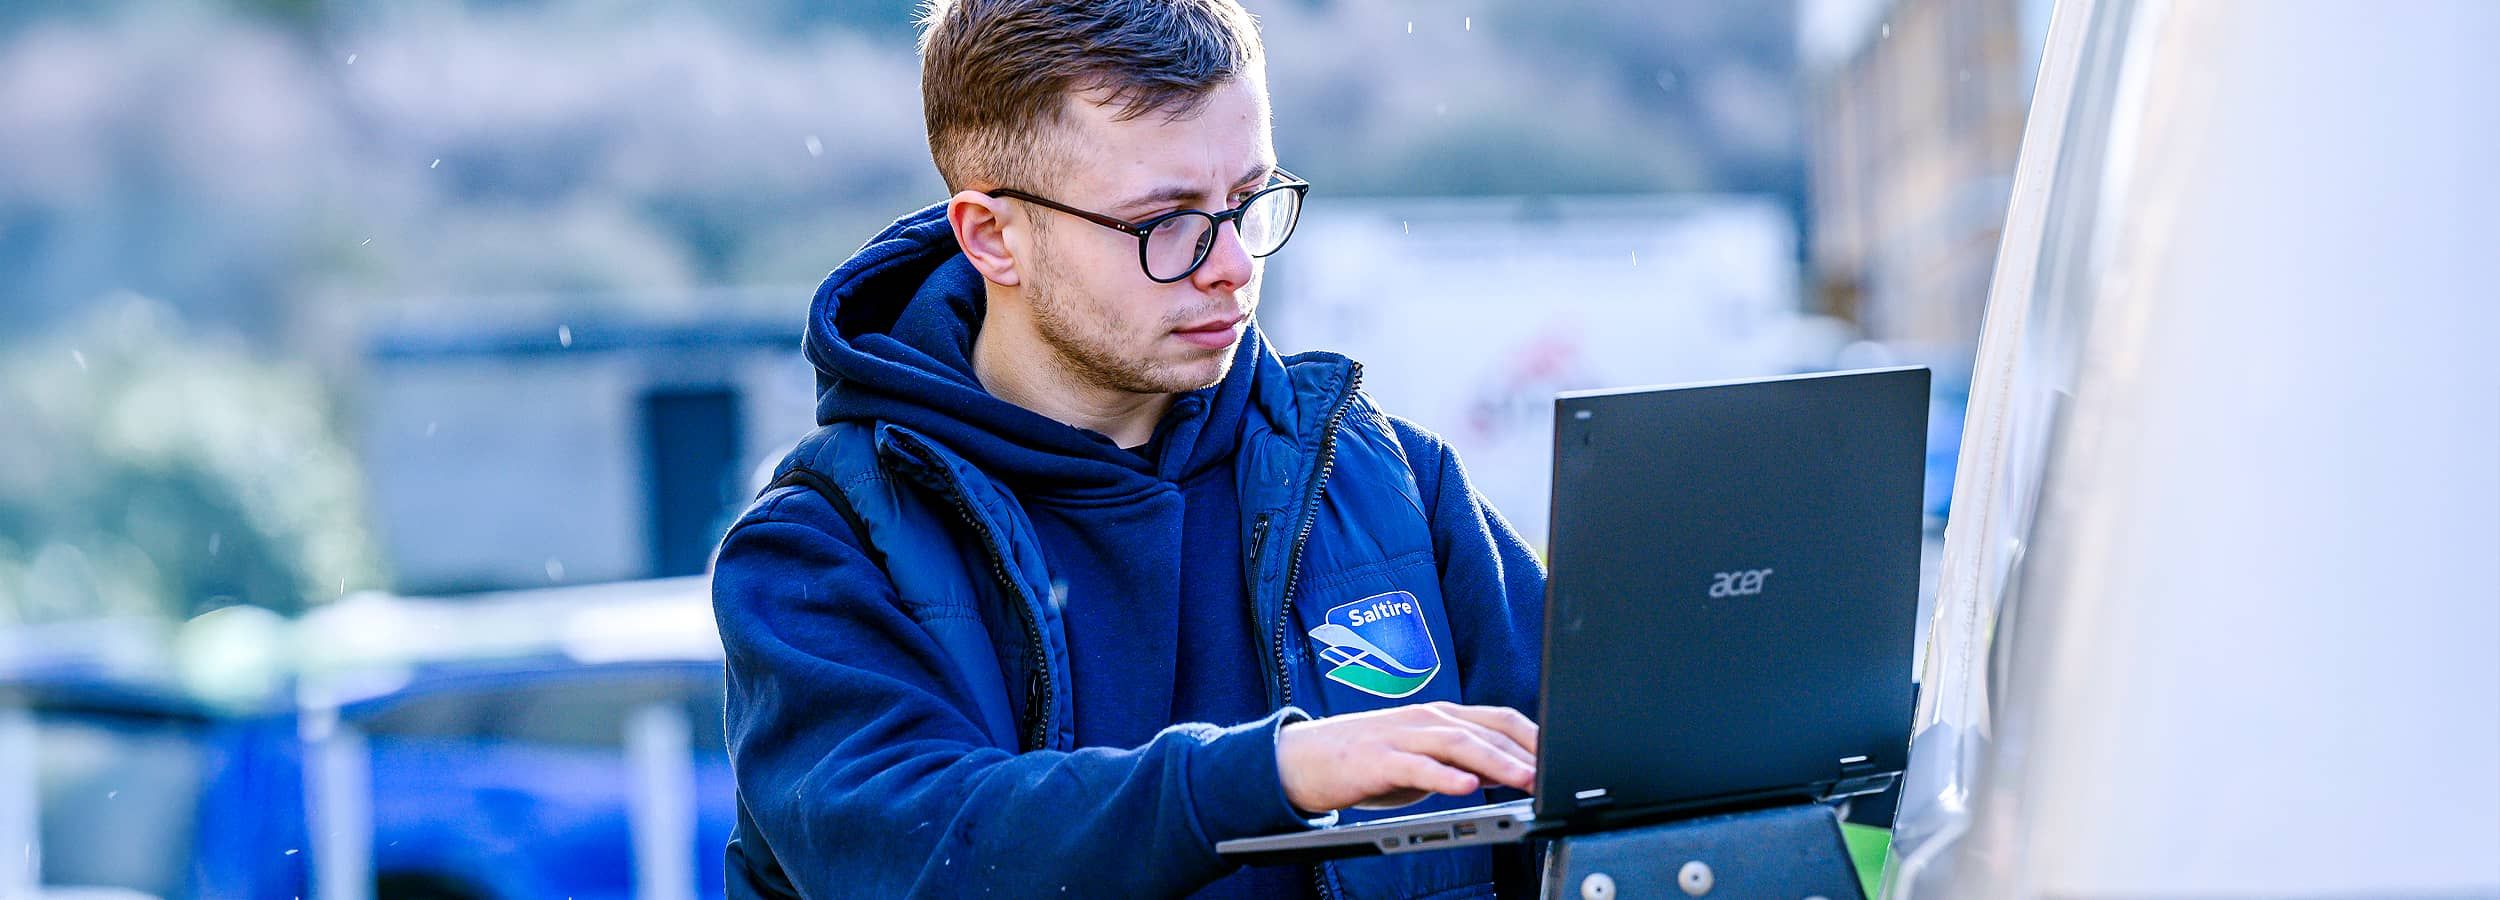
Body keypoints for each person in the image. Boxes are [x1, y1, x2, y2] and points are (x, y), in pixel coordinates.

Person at [710, 0, 1546, 895]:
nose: (1231, 264)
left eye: (1248, 200)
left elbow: (1624, 798)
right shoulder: (822, 548)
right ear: (992, 236)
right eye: (1166, 222)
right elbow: (921, 849)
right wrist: (1266, 775)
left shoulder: (1391, 484)